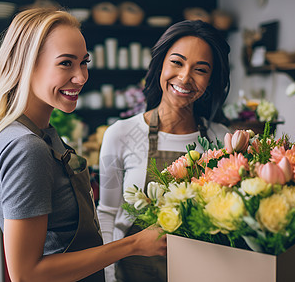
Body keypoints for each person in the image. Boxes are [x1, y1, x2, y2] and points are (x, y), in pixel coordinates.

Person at [0, 8, 166, 282]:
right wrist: (133, 245)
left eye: (84, 62)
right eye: (65, 63)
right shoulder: (27, 147)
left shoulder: (35, 131)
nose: (81, 77)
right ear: (27, 64)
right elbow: (27, 274)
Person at [97, 20, 231, 282]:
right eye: (177, 62)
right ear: (161, 64)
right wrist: (108, 276)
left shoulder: (221, 138)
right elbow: (107, 214)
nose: (184, 77)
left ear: (211, 80)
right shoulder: (120, 135)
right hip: (134, 274)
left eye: (200, 69)